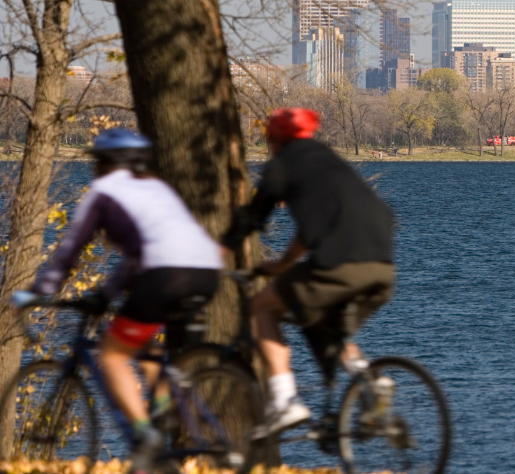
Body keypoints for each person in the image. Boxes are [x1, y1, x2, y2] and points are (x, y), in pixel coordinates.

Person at [20, 128, 222, 473]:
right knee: (148, 347)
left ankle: (147, 439)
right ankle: (163, 419)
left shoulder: (103, 191)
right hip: (207, 270)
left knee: (113, 354)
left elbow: (71, 247)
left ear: (104, 164)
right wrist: (108, 293)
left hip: (165, 273)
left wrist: (42, 289)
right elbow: (141, 252)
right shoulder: (157, 187)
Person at [223, 107, 395, 437]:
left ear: (275, 140)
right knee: (327, 324)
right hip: (382, 268)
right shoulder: (329, 162)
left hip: (341, 267)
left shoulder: (282, 165)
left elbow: (252, 218)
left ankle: (285, 401)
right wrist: (284, 264)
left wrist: (215, 253)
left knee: (261, 307)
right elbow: (317, 229)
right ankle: (369, 380)